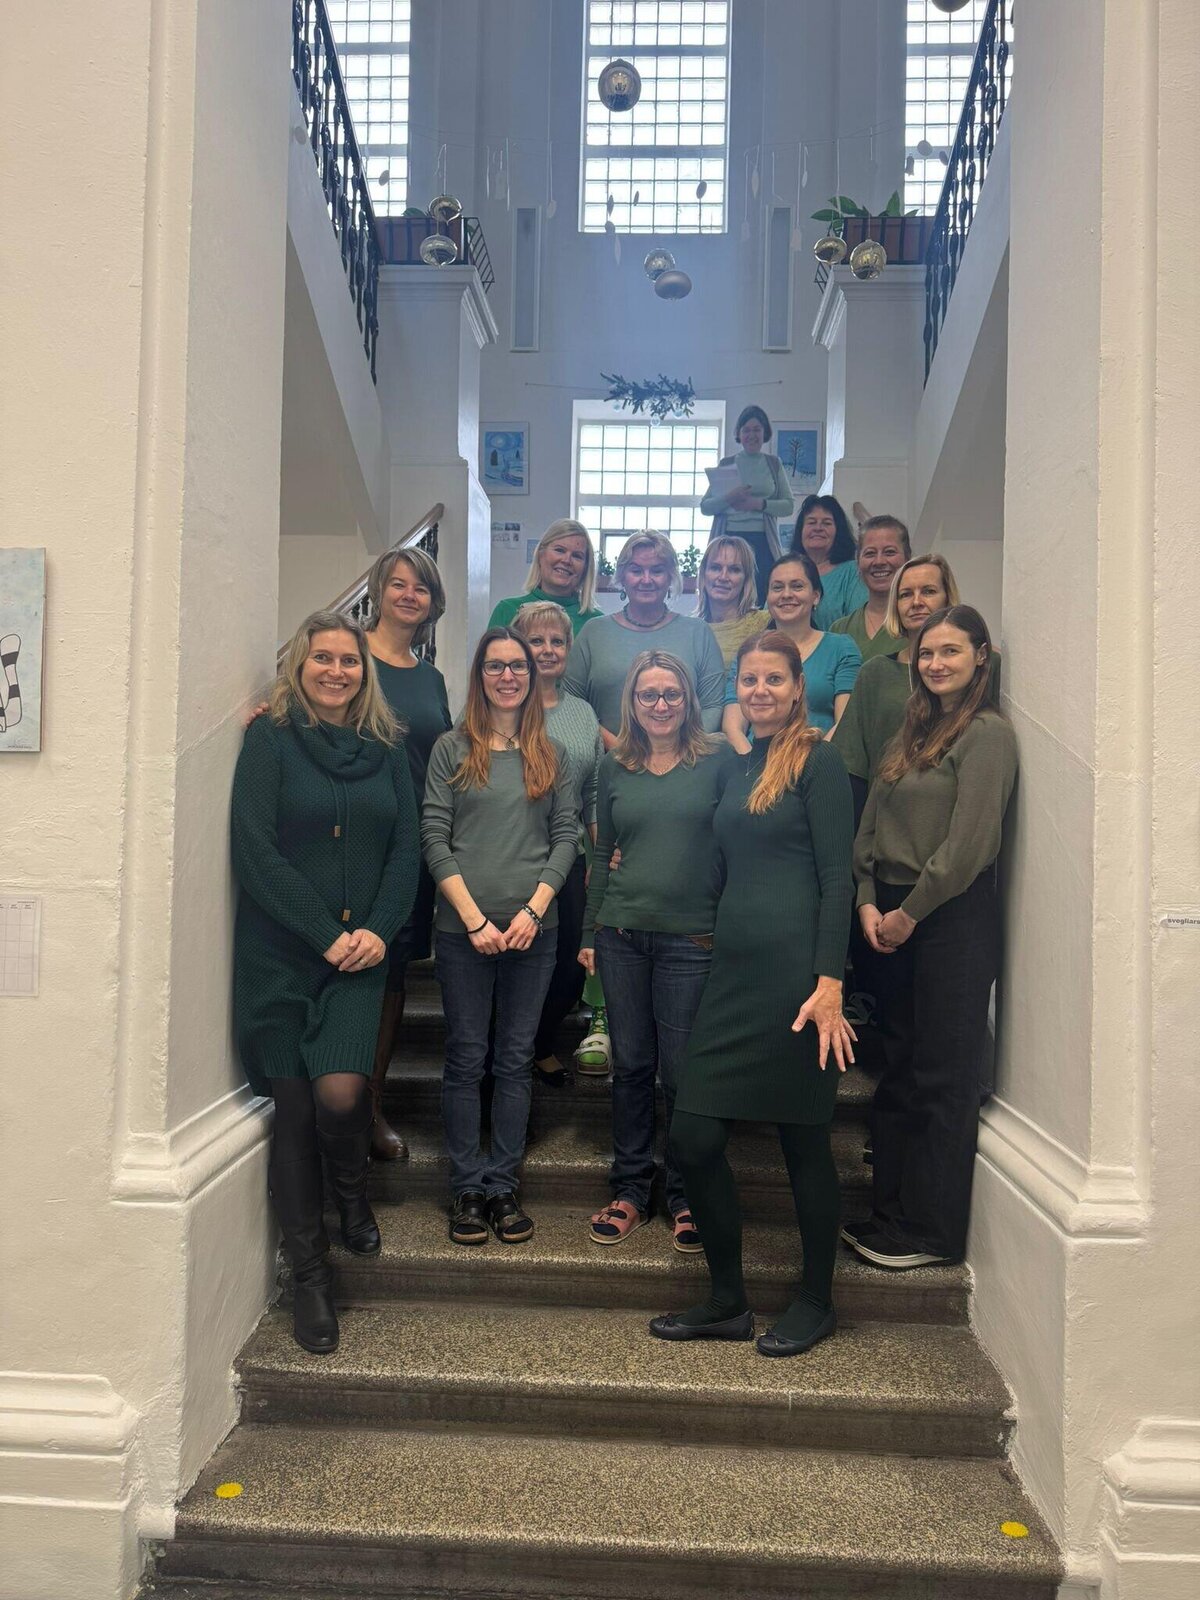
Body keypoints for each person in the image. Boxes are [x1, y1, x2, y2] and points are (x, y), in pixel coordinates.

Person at [650, 632, 856, 1357]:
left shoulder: (819, 762)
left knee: (804, 1141)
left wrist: (830, 983)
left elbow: (838, 877)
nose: (760, 690)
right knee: (693, 1136)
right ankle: (727, 1300)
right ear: (735, 689)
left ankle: (817, 1301)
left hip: (799, 982)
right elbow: (714, 860)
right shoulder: (737, 768)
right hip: (732, 977)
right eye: (749, 680)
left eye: (774, 679)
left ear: (799, 687)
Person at [231, 611, 419, 1354]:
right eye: (323, 658)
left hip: (361, 958)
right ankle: (310, 1276)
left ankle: (351, 1191)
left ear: (364, 672)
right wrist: (323, 933)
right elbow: (255, 849)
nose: (337, 671)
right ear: (299, 666)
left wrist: (379, 929)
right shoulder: (270, 740)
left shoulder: (388, 749)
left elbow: (406, 850)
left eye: (349, 660)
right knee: (294, 1110)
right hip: (280, 957)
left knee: (341, 1097)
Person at [843, 605, 1017, 1271]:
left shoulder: (987, 735)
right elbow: (870, 822)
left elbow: (970, 845)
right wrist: (866, 898)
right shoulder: (912, 731)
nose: (936, 663)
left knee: (943, 1075)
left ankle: (931, 1232)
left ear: (981, 655)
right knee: (900, 1068)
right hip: (887, 915)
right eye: (926, 653)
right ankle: (889, 1214)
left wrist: (909, 913)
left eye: (950, 651)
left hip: (948, 919)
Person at [421, 627, 580, 1247]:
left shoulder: (552, 753)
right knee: (467, 1057)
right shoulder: (451, 749)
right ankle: (466, 1187)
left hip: (532, 933)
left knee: (514, 1059)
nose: (508, 676)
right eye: (495, 666)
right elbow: (434, 837)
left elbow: (565, 837)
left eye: (518, 665)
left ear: (533, 676)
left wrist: (533, 912)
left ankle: (503, 1185)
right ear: (480, 675)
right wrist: (474, 921)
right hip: (464, 932)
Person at [578, 651, 736, 1253]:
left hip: (691, 939)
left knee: (682, 1072)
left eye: (672, 693)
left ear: (689, 699)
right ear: (633, 702)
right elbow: (603, 852)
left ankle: (686, 1195)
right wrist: (590, 932)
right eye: (649, 695)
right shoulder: (615, 765)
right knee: (631, 1067)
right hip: (621, 935)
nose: (661, 704)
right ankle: (629, 1190)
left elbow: (739, 839)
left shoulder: (717, 759)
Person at [361, 544, 452, 1161]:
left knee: (394, 973)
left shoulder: (431, 677)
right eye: (398, 584)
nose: (409, 595)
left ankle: (372, 1104)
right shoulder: (350, 657)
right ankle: (335, 1100)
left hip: (412, 845)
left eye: (420, 587)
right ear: (378, 591)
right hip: (357, 839)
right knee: (354, 968)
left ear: (432, 601)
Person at [509, 600, 605, 1084]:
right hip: (511, 856)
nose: (547, 650)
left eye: (557, 641)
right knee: (518, 961)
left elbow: (594, 791)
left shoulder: (583, 713)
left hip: (572, 859)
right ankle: (510, 1055)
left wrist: (600, 858)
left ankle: (538, 1043)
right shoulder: (499, 705)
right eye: (536, 640)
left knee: (571, 963)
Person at [833, 553, 998, 824]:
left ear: (948, 598)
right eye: (905, 594)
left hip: (954, 822)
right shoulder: (876, 673)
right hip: (886, 822)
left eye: (929, 591)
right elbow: (852, 769)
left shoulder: (984, 667)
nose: (917, 602)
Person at [563, 530, 727, 745]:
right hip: (607, 759)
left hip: (686, 760)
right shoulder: (594, 632)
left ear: (670, 577)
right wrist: (615, 749)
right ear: (622, 576)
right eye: (636, 570)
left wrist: (676, 753)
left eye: (657, 571)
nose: (646, 579)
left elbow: (713, 705)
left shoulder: (698, 633)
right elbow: (571, 703)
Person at [722, 552, 861, 749]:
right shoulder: (749, 652)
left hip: (818, 759)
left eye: (797, 586)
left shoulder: (841, 648)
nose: (786, 594)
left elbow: (845, 723)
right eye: (777, 587)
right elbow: (733, 728)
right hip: (755, 760)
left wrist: (814, 762)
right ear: (768, 597)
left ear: (815, 596)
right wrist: (754, 764)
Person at [699, 406, 795, 603]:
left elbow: (788, 506)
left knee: (764, 594)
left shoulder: (773, 463)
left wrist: (759, 504)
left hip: (763, 540)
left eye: (757, 429)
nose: (752, 435)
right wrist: (730, 497)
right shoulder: (727, 464)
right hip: (729, 537)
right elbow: (705, 507)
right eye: (747, 430)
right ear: (739, 434)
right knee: (729, 594)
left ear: (764, 432)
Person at [489, 518, 603, 638]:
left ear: (586, 567)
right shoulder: (507, 611)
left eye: (577, 556)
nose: (566, 560)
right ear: (540, 554)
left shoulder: (597, 623)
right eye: (559, 550)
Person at [828, 515, 911, 663]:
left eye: (889, 552)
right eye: (870, 553)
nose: (879, 561)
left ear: (907, 558)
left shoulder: (919, 622)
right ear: (858, 561)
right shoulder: (840, 630)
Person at [790, 495, 865, 629]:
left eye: (826, 523)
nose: (818, 528)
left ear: (838, 531)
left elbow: (858, 624)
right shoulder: (786, 571)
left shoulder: (852, 572)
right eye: (811, 522)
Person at [693, 535, 767, 665]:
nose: (723, 577)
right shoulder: (691, 629)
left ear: (746, 579)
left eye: (734, 570)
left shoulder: (765, 623)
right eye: (715, 568)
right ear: (703, 574)